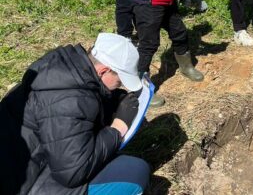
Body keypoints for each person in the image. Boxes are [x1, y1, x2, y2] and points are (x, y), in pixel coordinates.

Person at [0, 33, 150, 195]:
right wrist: (118, 128)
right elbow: (73, 173)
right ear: (103, 71)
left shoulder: (65, 68)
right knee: (135, 172)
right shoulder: (68, 101)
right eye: (119, 81)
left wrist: (113, 99)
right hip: (26, 185)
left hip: (24, 166)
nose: (119, 85)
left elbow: (85, 97)